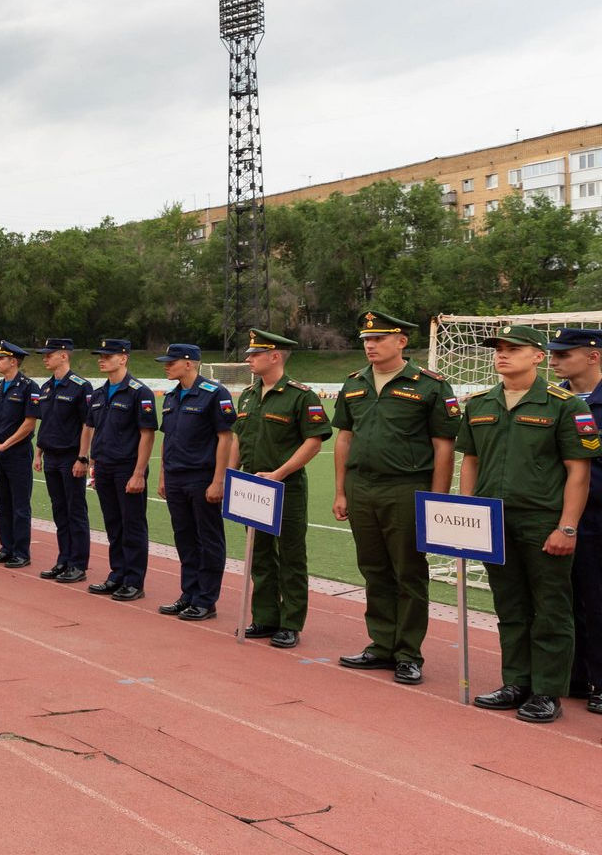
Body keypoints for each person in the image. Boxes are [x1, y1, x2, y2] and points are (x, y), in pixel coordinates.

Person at [460, 325, 595, 723]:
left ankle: (547, 691)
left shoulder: (564, 405)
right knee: (510, 605)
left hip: (541, 521)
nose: (502, 355)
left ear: (537, 356)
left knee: (551, 608)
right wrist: (467, 514)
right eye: (498, 349)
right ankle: (516, 682)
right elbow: (470, 461)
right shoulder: (480, 403)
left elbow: (579, 472)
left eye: (513, 349)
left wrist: (567, 527)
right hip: (492, 520)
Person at [331, 310, 459, 686]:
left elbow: (443, 446)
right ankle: (381, 644)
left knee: (409, 573)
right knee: (373, 569)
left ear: (401, 341)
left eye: (379, 338)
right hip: (361, 487)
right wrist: (340, 490)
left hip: (406, 488)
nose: (370, 345)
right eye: (366, 340)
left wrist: (437, 502)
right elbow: (344, 438)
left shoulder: (430, 385)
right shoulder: (354, 383)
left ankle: (408, 652)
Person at [230, 330, 331, 648]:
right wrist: (230, 473)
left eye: (255, 354)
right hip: (251, 487)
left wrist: (279, 473)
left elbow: (313, 441)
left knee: (290, 555)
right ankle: (264, 617)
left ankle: (290, 623)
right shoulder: (247, 395)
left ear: (275, 356)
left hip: (285, 487)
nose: (248, 359)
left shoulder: (301, 396)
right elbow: (238, 436)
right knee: (258, 555)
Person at [155, 344, 236, 621]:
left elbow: (226, 437)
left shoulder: (214, 394)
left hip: (202, 477)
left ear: (189, 363)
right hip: (176, 476)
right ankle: (189, 593)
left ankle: (206, 599)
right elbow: (167, 438)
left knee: (208, 539)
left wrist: (219, 480)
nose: (166, 366)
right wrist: (163, 475)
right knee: (185, 538)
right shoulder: (171, 396)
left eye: (171, 362)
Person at [547, 326, 602, 716]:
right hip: (558, 513)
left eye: (564, 354)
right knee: (565, 599)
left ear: (593, 356)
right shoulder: (553, 401)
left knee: (599, 600)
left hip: (599, 515)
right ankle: (577, 674)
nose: (554, 360)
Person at [83, 339, 158, 601]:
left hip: (127, 467)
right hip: (104, 466)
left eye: (108, 355)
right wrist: (92, 461)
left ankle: (134, 580)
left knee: (132, 524)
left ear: (123, 358)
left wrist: (139, 472)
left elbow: (147, 434)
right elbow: (93, 428)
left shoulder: (139, 392)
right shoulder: (100, 392)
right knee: (113, 524)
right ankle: (117, 574)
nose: (102, 359)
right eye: (100, 355)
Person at [31, 338, 93, 582]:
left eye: (50, 354)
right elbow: (45, 423)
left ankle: (78, 564)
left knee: (75, 510)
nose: (45, 358)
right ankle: (63, 559)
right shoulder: (46, 387)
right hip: (51, 456)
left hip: (70, 456)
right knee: (59, 511)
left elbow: (87, 425)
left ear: (64, 355)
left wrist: (82, 457)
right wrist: (38, 452)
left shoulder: (80, 387)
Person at [0, 342, 40, 567]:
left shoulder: (29, 387)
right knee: (2, 502)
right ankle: (6, 547)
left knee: (19, 504)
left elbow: (29, 423)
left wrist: (5, 444)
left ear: (14, 361)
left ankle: (21, 552)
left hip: (16, 452)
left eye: (1, 358)